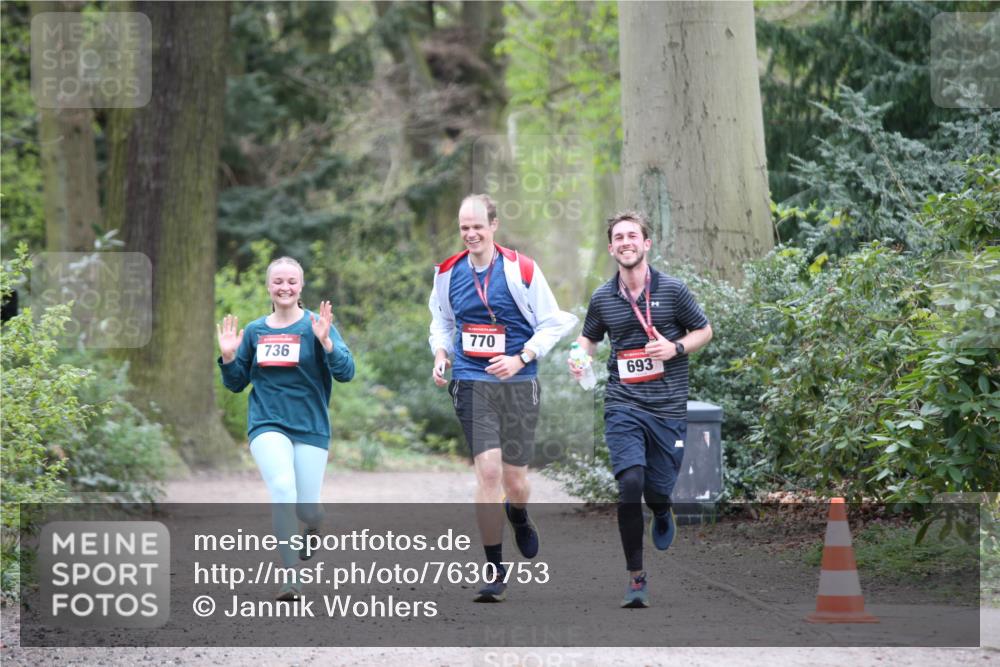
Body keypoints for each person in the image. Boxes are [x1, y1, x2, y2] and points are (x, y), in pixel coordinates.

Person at [429, 194, 576, 602]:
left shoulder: (521, 269)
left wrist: (521, 357)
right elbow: (441, 323)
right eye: (464, 227)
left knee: (516, 481)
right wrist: (441, 355)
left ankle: (519, 514)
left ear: (494, 225)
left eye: (478, 225)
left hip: (518, 383)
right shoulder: (447, 274)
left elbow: (554, 322)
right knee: (488, 474)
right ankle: (495, 569)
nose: (471, 233)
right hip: (473, 382)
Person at [569, 210, 712, 608]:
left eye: (633, 236)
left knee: (657, 490)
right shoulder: (603, 297)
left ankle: (662, 511)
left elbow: (704, 329)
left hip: (667, 408)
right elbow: (589, 339)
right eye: (619, 237)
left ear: (646, 244)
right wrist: (578, 357)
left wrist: (676, 347)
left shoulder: (673, 290)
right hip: (623, 404)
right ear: (611, 247)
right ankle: (636, 578)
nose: (626, 242)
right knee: (630, 484)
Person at [217, 256, 355, 600]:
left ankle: (313, 522)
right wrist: (230, 357)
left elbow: (347, 372)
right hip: (267, 422)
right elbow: (236, 384)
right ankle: (291, 577)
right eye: (278, 281)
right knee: (282, 487)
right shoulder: (254, 331)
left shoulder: (316, 325)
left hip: (310, 425)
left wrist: (326, 342)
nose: (285, 287)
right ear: (268, 286)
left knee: (307, 508)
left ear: (301, 286)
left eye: (291, 281)